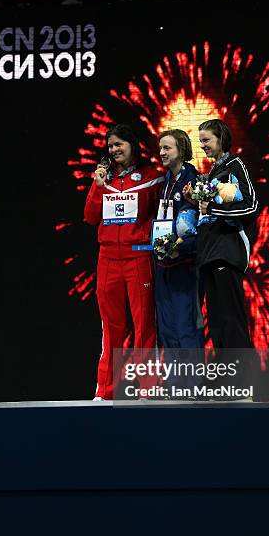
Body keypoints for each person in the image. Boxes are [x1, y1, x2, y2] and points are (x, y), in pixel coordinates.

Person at [84, 124, 164, 400]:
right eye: (110, 146)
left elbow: (162, 214)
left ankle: (149, 389)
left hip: (138, 257)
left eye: (119, 144)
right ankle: (105, 391)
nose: (114, 149)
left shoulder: (153, 177)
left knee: (144, 326)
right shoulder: (103, 179)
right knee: (111, 327)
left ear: (133, 145)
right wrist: (97, 186)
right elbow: (90, 216)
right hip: (107, 259)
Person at [185, 119, 259, 350]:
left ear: (221, 139)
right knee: (217, 324)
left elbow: (252, 205)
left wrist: (213, 208)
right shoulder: (213, 172)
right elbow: (208, 213)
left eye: (206, 140)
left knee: (231, 322)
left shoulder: (236, 165)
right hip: (209, 254)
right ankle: (228, 380)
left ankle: (245, 382)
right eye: (201, 141)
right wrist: (195, 202)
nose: (203, 146)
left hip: (227, 252)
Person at [155, 129, 202, 349]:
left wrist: (180, 248)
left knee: (186, 329)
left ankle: (192, 383)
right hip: (164, 264)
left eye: (167, 148)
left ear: (181, 150)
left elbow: (195, 228)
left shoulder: (191, 181)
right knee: (167, 330)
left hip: (184, 266)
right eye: (160, 147)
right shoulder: (166, 180)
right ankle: (175, 382)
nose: (161, 152)